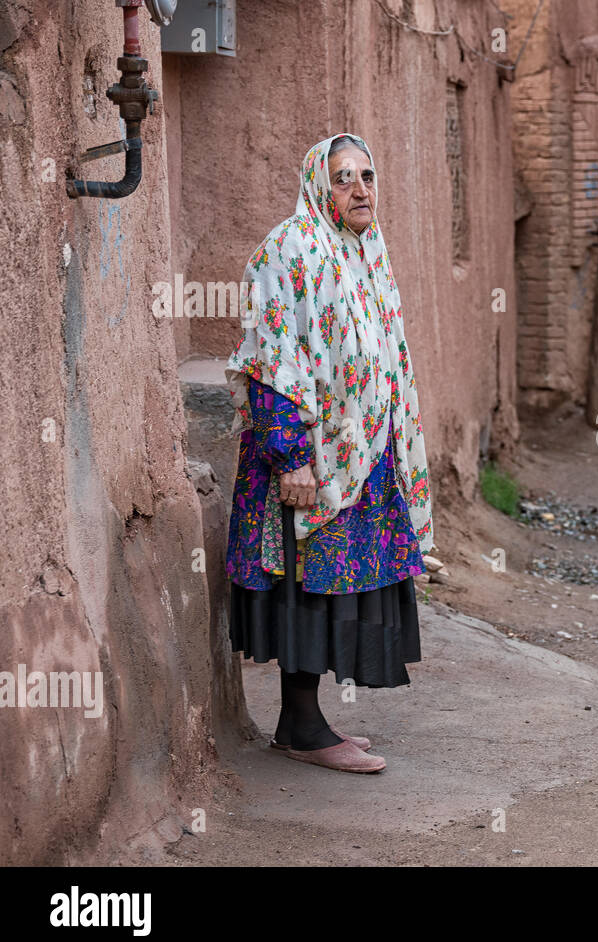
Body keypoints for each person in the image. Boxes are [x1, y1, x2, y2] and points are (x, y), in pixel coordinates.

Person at [223, 132, 436, 774]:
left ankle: (303, 721)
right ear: (319, 184)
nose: (361, 189)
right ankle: (304, 728)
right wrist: (291, 458)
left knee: (338, 583)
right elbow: (269, 360)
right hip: (310, 464)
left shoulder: (365, 251)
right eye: (344, 178)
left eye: (368, 175)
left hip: (362, 458)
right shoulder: (288, 249)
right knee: (305, 582)